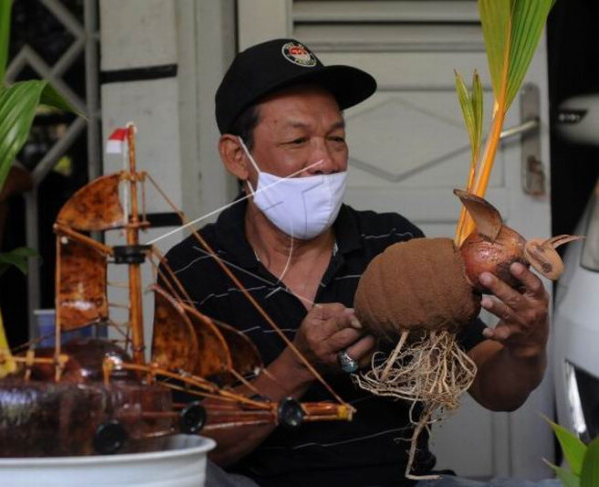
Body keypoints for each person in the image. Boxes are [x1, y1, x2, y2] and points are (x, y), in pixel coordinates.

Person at [157, 38, 559, 487]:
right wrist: (299, 365)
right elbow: (184, 446)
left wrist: (526, 347)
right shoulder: (192, 269)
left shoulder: (394, 244)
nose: (325, 161)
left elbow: (494, 389)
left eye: (336, 138)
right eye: (297, 140)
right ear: (237, 156)